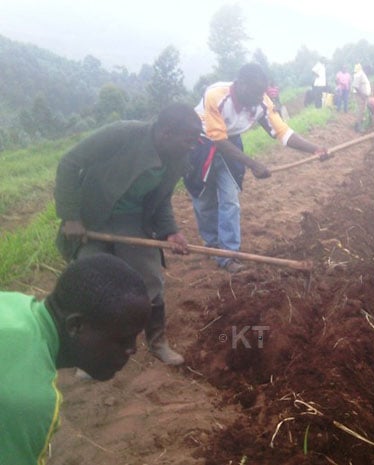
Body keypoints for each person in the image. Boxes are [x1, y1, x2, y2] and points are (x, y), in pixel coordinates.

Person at [55, 103, 201, 367]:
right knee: (91, 280)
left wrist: (171, 231)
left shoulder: (179, 158)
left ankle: (157, 342)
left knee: (151, 280)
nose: (192, 147)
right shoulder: (122, 134)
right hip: (93, 215)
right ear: (166, 133)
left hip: (132, 219)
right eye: (188, 140)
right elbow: (69, 163)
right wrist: (71, 217)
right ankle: (86, 353)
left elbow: (162, 198)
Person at [0, 253, 151, 464]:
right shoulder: (28, 401)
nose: (132, 350)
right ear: (76, 326)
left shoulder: (14, 304)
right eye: (122, 340)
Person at [184, 63, 328, 274]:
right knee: (204, 199)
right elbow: (218, 140)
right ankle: (212, 244)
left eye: (262, 92)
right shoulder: (215, 95)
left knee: (230, 198)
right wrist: (252, 164)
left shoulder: (261, 102)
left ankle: (229, 254)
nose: (260, 98)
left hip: (230, 143)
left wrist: (315, 149)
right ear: (240, 85)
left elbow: (282, 132)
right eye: (256, 92)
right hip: (202, 143)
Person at [352, 63, 371, 131]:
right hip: (360, 96)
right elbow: (355, 86)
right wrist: (362, 95)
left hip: (363, 96)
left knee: (362, 111)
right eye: (369, 70)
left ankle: (359, 125)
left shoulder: (363, 75)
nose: (370, 71)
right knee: (360, 111)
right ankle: (358, 127)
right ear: (366, 69)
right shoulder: (359, 74)